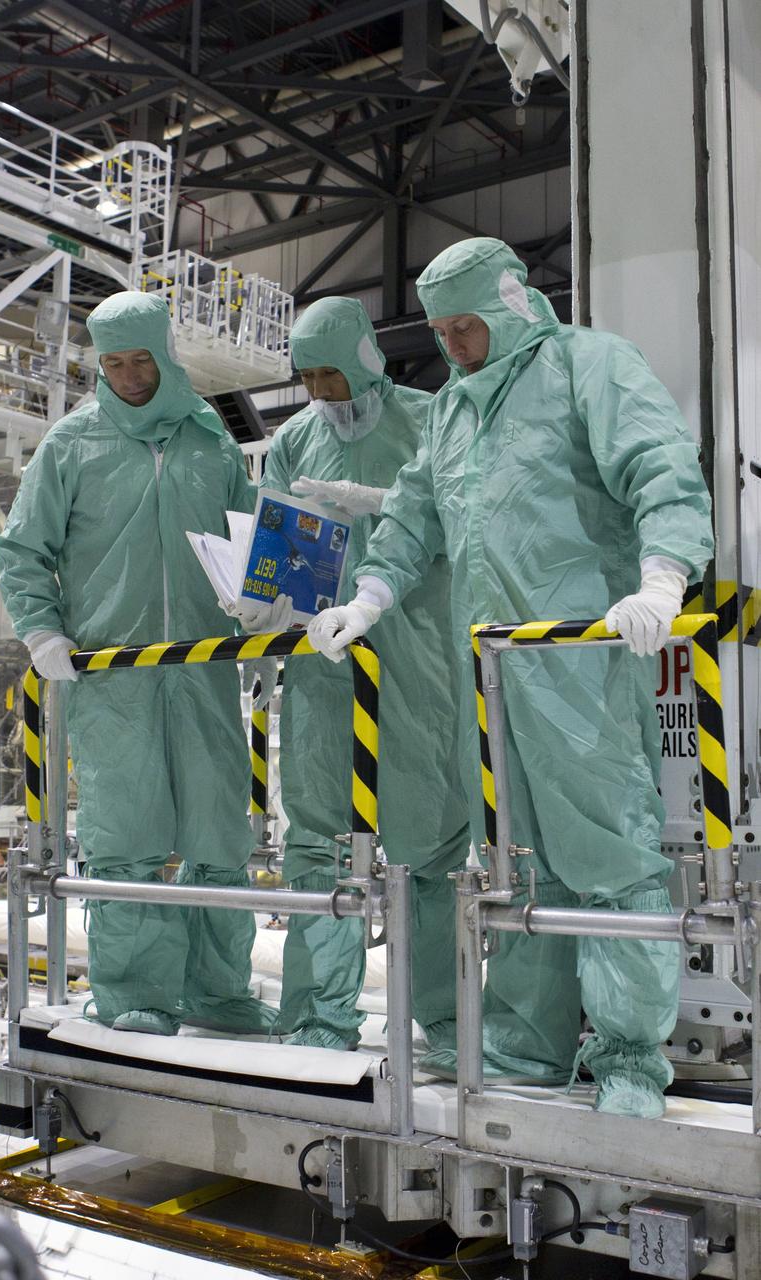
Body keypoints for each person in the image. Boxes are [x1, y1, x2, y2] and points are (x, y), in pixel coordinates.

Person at [307, 240, 713, 1118]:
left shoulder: (586, 366)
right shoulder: (453, 410)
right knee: (515, 866)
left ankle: (630, 1062)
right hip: (486, 676)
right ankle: (525, 1048)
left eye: (467, 326)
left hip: (579, 668)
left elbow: (658, 465)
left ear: (510, 305)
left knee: (608, 855)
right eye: (441, 331)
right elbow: (414, 514)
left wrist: (660, 577)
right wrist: (370, 597)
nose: (454, 345)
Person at [0, 290, 276, 1037]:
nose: (125, 375)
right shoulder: (72, 443)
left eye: (138, 359)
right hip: (112, 674)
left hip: (205, 663)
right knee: (126, 839)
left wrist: (259, 600)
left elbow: (247, 533)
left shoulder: (207, 439)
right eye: (112, 362)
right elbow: (23, 550)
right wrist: (42, 634)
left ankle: (220, 993)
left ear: (163, 354)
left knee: (219, 832)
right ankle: (136, 995)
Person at [240, 296, 470, 1065]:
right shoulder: (295, 440)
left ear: (365, 361)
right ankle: (316, 1014)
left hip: (417, 654)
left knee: (430, 847)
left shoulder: (431, 417)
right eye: (307, 377)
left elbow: (463, 517)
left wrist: (379, 506)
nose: (319, 392)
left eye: (331, 374)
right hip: (322, 667)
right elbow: (276, 542)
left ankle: (442, 1021)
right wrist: (259, 598)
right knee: (316, 842)